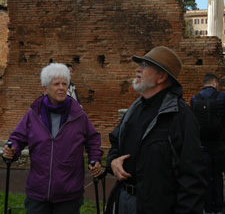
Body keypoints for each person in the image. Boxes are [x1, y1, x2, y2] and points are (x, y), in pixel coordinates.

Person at [106, 46, 207, 214]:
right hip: (123, 201)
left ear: (161, 76)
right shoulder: (135, 108)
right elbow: (116, 141)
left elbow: (192, 180)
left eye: (144, 65)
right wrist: (113, 161)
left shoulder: (181, 116)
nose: (138, 69)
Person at [2, 63, 103, 214]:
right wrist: (12, 149)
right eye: (56, 84)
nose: (61, 88)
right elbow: (17, 137)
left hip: (68, 192)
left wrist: (95, 159)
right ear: (45, 88)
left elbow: (93, 139)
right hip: (38, 192)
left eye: (64, 84)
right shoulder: (33, 114)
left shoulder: (78, 115)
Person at [191, 73, 225, 214]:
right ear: (215, 83)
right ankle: (218, 207)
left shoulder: (194, 99)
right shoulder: (222, 97)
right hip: (219, 144)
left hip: (202, 144)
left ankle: (207, 207)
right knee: (217, 175)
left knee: (205, 176)